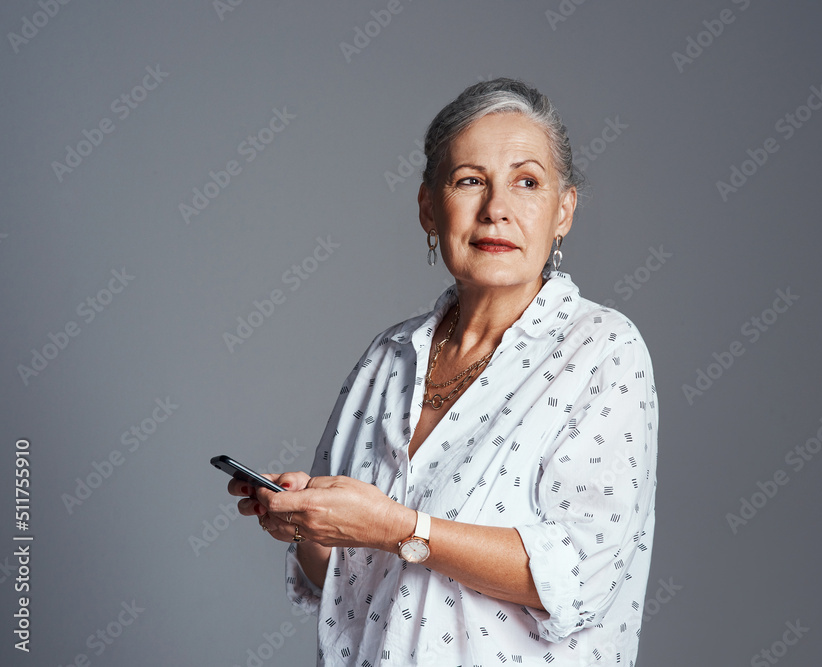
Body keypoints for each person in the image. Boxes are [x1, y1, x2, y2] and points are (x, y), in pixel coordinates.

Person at [229, 78, 658, 666]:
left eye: (526, 183)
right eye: (470, 181)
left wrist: (397, 527)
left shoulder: (602, 349)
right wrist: (310, 526)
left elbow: (578, 575)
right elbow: (346, 583)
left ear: (564, 210)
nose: (497, 209)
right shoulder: (388, 357)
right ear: (430, 208)